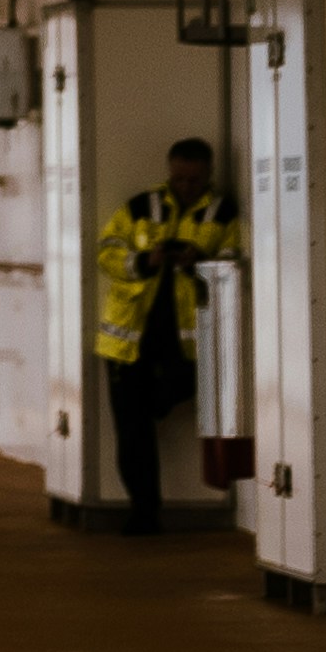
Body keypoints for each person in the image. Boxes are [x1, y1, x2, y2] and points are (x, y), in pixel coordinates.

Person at [93, 136, 241, 536]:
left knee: (157, 405)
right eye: (179, 179)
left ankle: (155, 406)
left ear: (208, 174)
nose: (185, 187)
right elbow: (107, 252)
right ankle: (144, 513)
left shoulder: (223, 213)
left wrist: (199, 262)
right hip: (128, 340)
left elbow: (233, 262)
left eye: (194, 180)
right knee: (132, 430)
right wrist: (146, 260)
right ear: (169, 172)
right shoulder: (141, 207)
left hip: (187, 343)